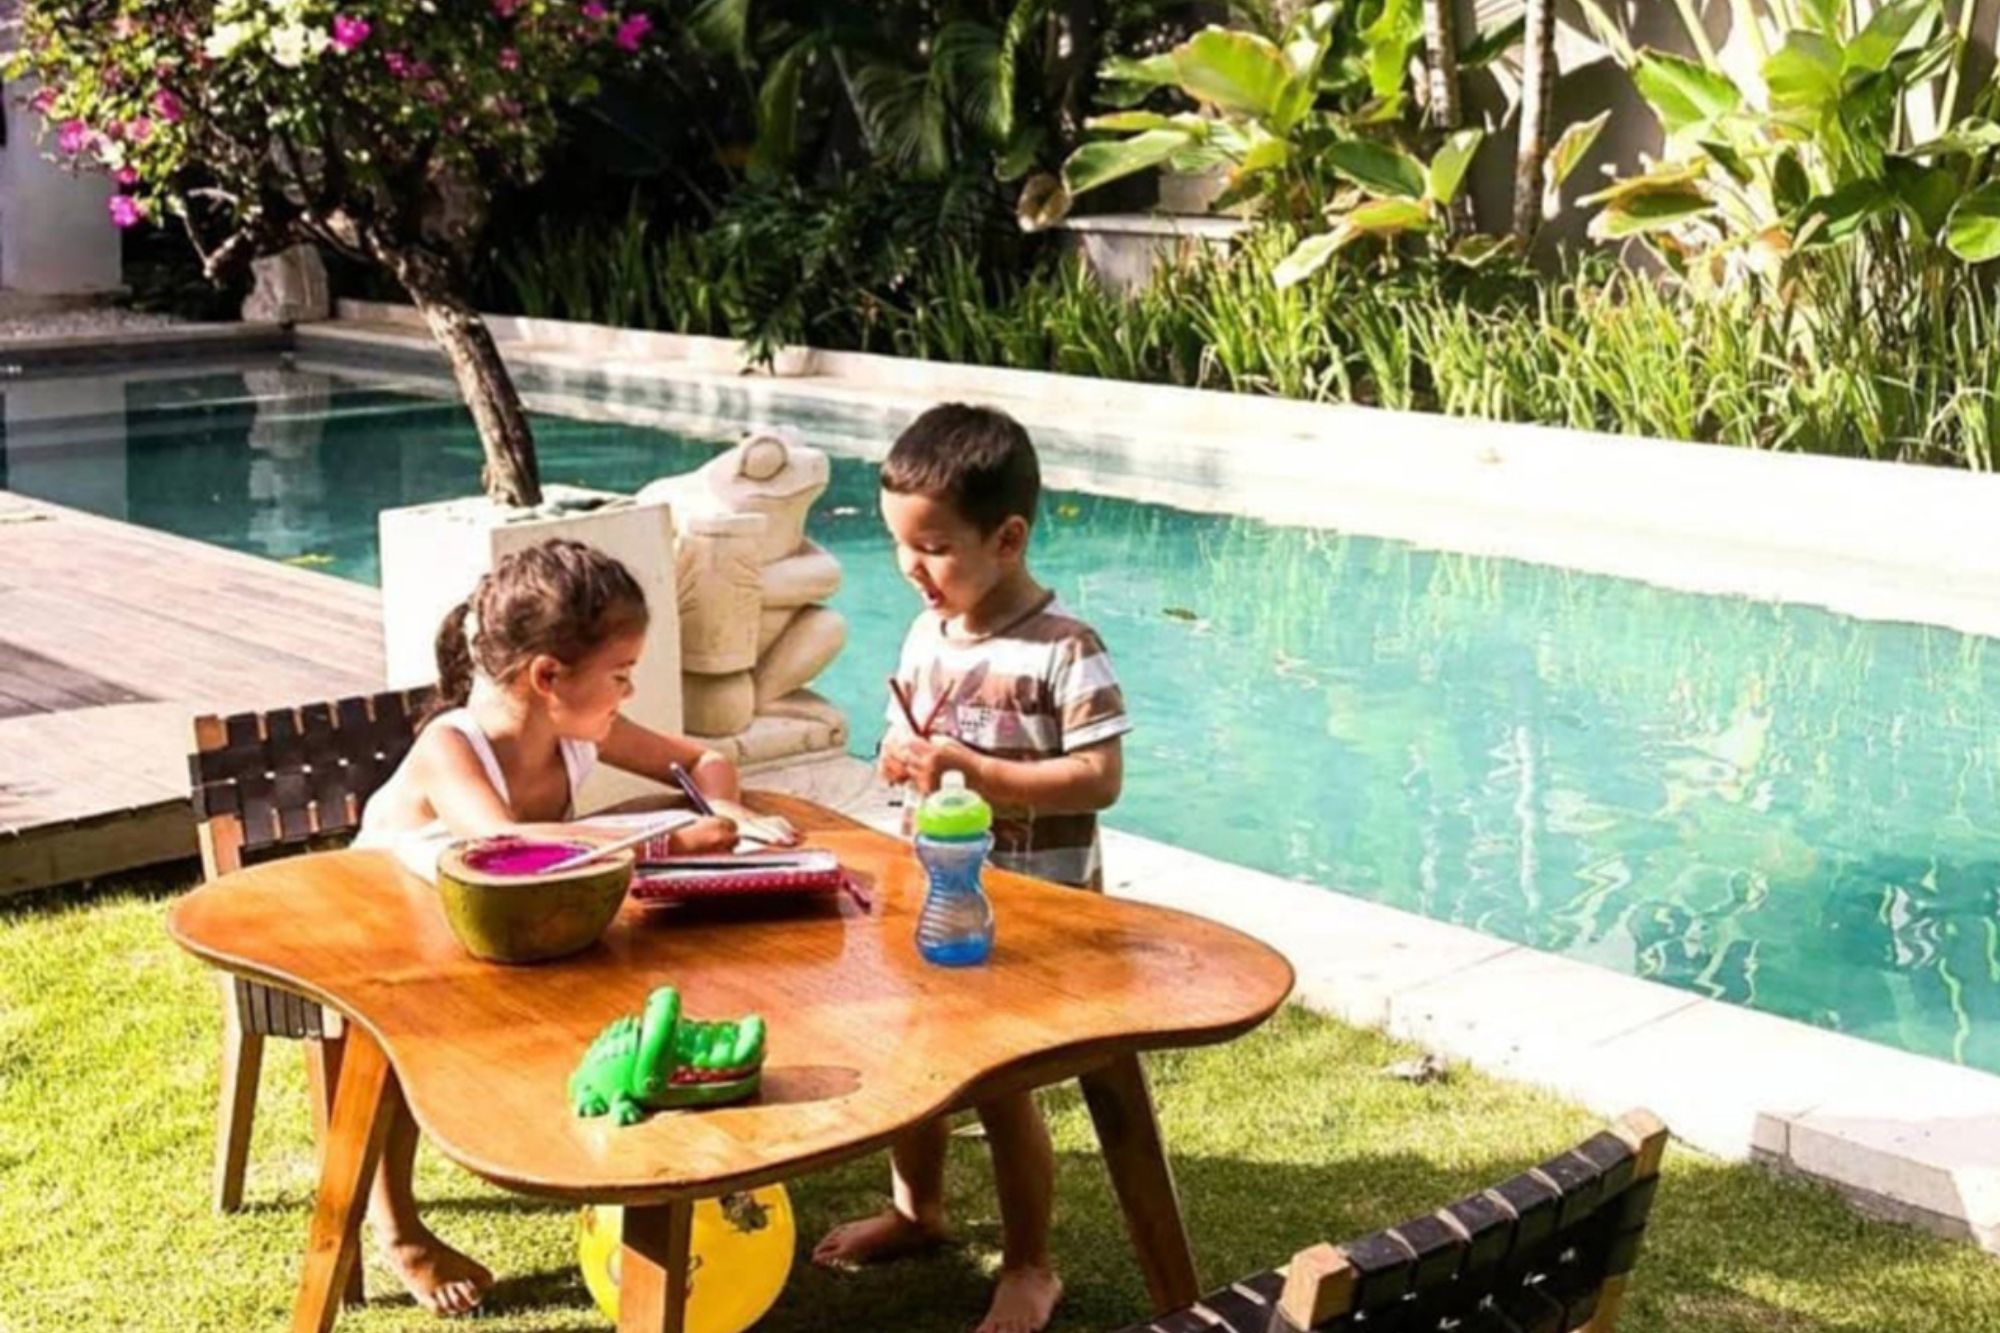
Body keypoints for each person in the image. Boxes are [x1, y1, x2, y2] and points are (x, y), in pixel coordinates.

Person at [355, 536, 769, 1315]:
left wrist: (728, 806)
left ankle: (642, 1146)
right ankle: (398, 1227)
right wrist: (668, 837)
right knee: (386, 1047)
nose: (629, 689)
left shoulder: (578, 729)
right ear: (549, 675)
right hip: (381, 947)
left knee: (655, 957)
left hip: (493, 939)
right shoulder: (452, 746)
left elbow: (705, 760)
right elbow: (507, 848)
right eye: (619, 674)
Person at [813, 404, 1131, 1333]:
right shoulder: (927, 635)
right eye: (899, 546)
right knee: (915, 1060)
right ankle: (918, 1210)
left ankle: (1032, 1265)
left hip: (1036, 921)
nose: (911, 569)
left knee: (998, 1089)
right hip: (934, 902)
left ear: (1008, 536)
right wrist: (899, 758)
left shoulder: (1064, 650)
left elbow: (1099, 778)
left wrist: (975, 770)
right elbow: (908, 740)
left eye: (934, 548)